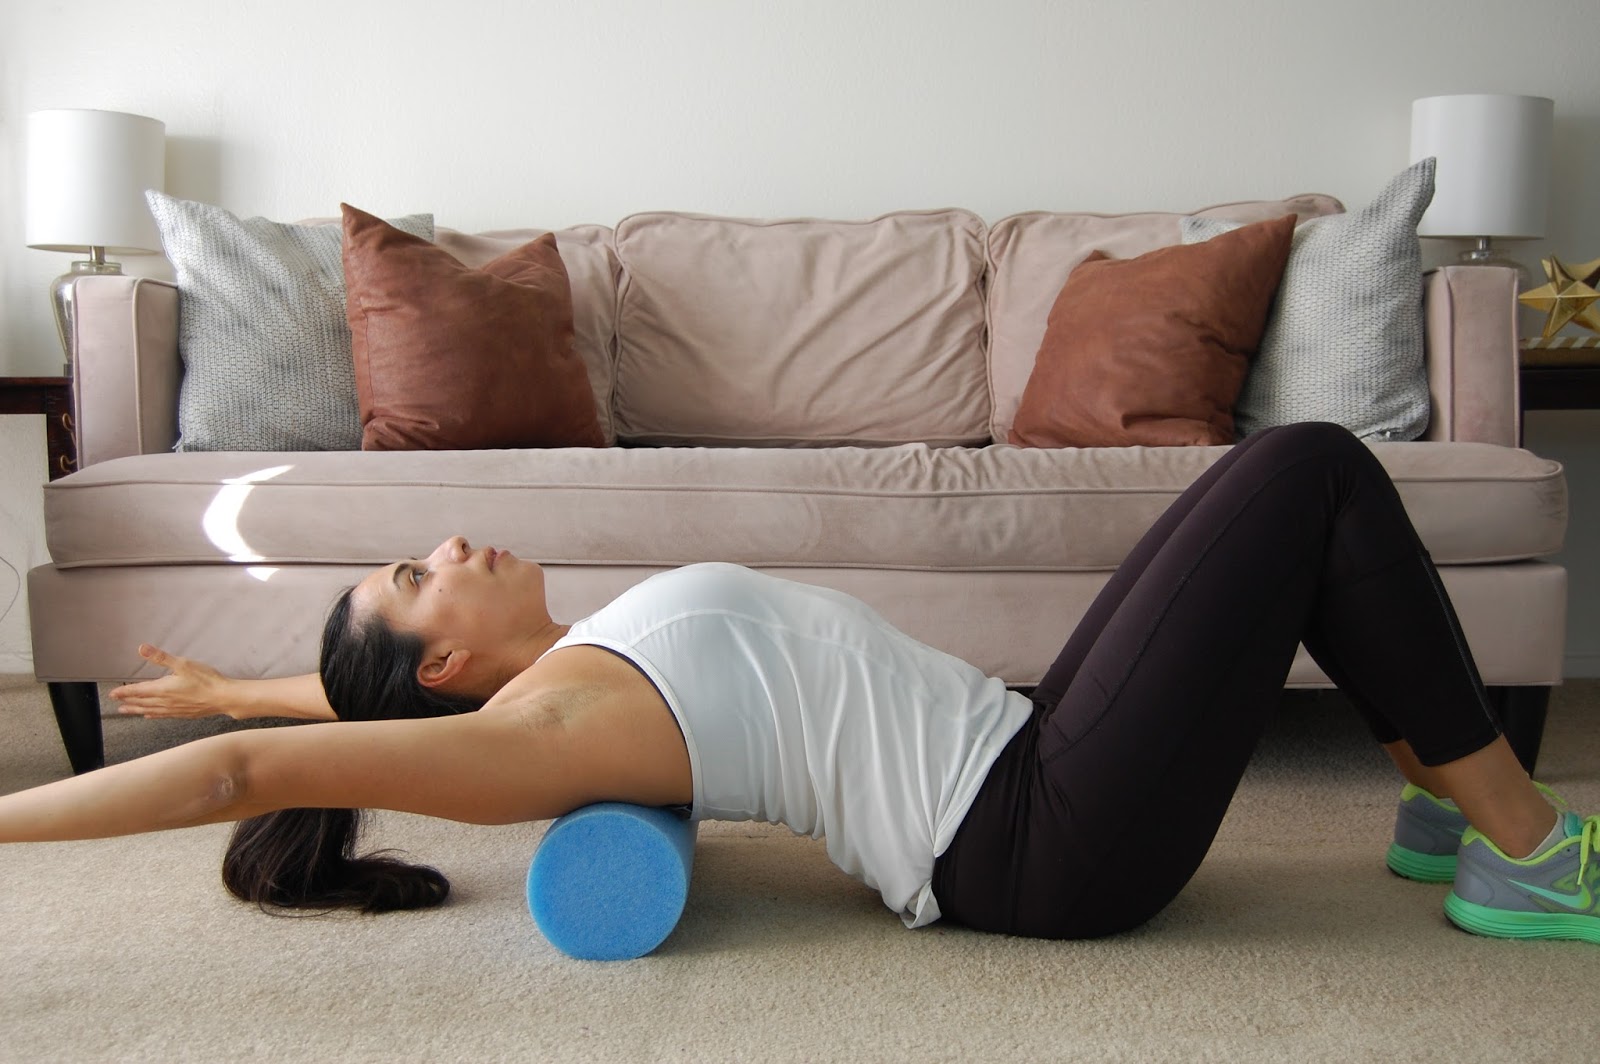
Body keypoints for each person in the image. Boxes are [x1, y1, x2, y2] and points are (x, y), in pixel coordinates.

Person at [3, 422, 1595, 944]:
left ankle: (1445, 801)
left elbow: (337, 720)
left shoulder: (550, 669)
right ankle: (1519, 849)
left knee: (1281, 496)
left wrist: (237, 687)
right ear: (446, 660)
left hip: (1021, 751)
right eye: (423, 573)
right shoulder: (542, 726)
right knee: (1306, 470)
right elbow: (254, 788)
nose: (454, 537)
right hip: (1041, 839)